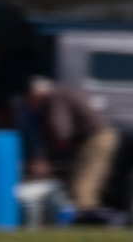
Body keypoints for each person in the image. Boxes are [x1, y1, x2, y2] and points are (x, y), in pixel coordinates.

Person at [25, 76, 117, 213]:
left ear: (37, 94)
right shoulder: (61, 92)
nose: (32, 106)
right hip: (97, 137)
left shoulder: (55, 96)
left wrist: (47, 159)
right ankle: (87, 217)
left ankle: (87, 220)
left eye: (31, 100)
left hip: (96, 138)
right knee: (81, 184)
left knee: (82, 187)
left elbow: (62, 131)